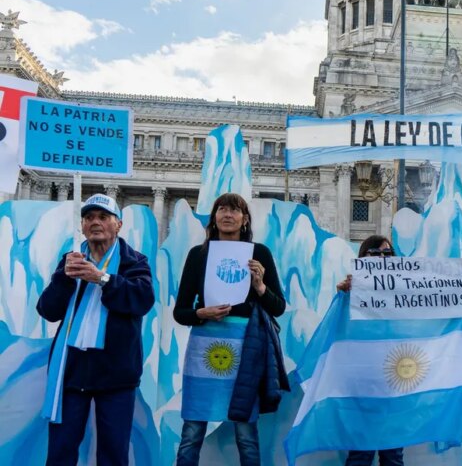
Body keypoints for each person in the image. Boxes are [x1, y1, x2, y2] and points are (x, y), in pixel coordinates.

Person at [336, 234, 462, 466]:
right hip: (364, 388)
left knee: (392, 456)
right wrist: (342, 297)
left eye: (388, 254)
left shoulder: (407, 291)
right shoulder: (353, 291)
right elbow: (339, 331)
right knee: (360, 455)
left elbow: (437, 312)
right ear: (363, 258)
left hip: (395, 386)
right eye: (376, 254)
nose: (383, 259)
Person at [37, 193, 155, 466]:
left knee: (113, 453)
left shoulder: (134, 261)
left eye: (103, 217)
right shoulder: (71, 259)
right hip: (73, 369)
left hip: (116, 373)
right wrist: (63, 279)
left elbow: (142, 300)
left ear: (118, 225)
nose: (95, 222)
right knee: (60, 450)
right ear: (82, 226)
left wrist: (102, 278)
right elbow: (47, 310)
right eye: (89, 217)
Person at [173, 193, 288, 466]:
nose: (227, 215)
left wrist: (260, 286)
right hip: (204, 345)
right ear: (214, 217)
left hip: (246, 345)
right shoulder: (198, 254)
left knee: (246, 431)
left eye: (235, 210)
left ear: (245, 219)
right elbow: (180, 312)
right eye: (222, 209)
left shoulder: (259, 253)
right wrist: (201, 313)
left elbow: (279, 307)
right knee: (192, 429)